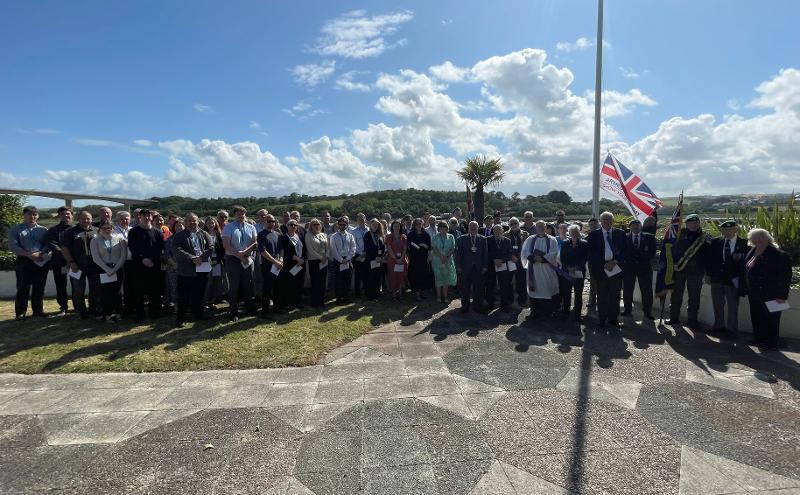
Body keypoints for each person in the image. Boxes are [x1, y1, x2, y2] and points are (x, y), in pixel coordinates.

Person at [743, 228, 792, 349]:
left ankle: (771, 343)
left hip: (772, 294)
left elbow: (785, 277)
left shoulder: (779, 255)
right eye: (755, 238)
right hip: (754, 293)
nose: (758, 240)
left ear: (767, 238)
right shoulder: (752, 251)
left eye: (761, 237)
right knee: (756, 317)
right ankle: (758, 338)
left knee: (771, 320)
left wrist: (782, 296)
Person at [706, 219, 749, 337]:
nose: (728, 231)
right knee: (717, 303)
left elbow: (751, 259)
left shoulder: (745, 243)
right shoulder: (715, 242)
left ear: (736, 229)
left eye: (731, 229)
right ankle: (719, 326)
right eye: (725, 229)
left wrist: (741, 257)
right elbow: (709, 259)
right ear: (721, 230)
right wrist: (708, 275)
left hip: (733, 279)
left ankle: (731, 330)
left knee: (733, 305)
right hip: (717, 278)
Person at [172, 213, 214, 327]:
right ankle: (181, 318)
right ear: (185, 222)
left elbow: (211, 247)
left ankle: (199, 314)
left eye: (194, 220)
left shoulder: (204, 233)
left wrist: (201, 258)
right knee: (183, 296)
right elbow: (177, 250)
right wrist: (192, 258)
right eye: (189, 221)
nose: (192, 223)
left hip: (202, 268)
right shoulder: (179, 236)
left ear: (198, 221)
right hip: (186, 270)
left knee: (199, 294)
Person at [587, 211, 627, 327]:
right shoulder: (593, 235)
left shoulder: (620, 234)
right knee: (602, 296)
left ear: (612, 221)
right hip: (601, 270)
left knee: (615, 296)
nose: (607, 222)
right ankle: (602, 319)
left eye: (609, 219)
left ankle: (613, 319)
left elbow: (625, 251)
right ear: (600, 221)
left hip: (616, 268)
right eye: (604, 219)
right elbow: (591, 254)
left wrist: (615, 261)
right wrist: (603, 264)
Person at [9, 206, 50, 319]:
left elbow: (48, 244)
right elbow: (13, 246)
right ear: (24, 215)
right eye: (29, 214)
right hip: (24, 261)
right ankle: (20, 312)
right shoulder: (16, 229)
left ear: (37, 216)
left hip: (41, 261)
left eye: (35, 214)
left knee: (39, 287)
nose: (32, 217)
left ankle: (38, 311)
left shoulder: (44, 230)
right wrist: (30, 255)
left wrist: (40, 253)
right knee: (23, 287)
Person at [668, 214, 709, 328]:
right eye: (691, 223)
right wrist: (674, 264)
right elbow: (672, 250)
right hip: (680, 270)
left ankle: (692, 320)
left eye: (696, 223)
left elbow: (708, 255)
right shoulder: (679, 234)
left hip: (696, 272)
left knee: (694, 297)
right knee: (676, 295)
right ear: (686, 223)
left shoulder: (704, 237)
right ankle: (673, 317)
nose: (693, 225)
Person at [62, 210, 101, 319]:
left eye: (88, 218)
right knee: (79, 290)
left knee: (95, 289)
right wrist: (71, 262)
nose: (86, 220)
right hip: (77, 266)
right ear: (78, 219)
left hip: (94, 266)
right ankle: (81, 311)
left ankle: (94, 310)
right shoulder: (70, 232)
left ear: (91, 219)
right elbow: (64, 248)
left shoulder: (97, 231)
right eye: (83, 218)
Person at [127, 209, 164, 322]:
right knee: (139, 292)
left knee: (155, 290)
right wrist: (143, 259)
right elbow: (133, 248)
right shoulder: (133, 231)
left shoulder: (157, 232)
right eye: (144, 216)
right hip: (139, 265)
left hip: (154, 265)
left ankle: (154, 313)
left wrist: (152, 260)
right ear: (140, 217)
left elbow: (159, 248)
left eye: (149, 216)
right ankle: (140, 315)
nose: (147, 218)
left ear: (151, 218)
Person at [222, 205, 258, 321]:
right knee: (234, 286)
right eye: (238, 214)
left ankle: (249, 308)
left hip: (247, 259)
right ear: (234, 215)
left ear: (245, 214)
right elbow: (226, 245)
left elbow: (255, 243)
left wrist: (245, 253)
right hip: (233, 259)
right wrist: (238, 254)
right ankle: (233, 312)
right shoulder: (229, 227)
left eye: (242, 213)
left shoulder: (251, 227)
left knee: (248, 284)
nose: (240, 215)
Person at [521, 220, 560, 319]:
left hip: (547, 269)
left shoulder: (552, 239)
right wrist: (533, 258)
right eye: (538, 227)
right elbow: (525, 251)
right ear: (536, 228)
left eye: (543, 227)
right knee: (535, 290)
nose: (541, 229)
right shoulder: (530, 239)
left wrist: (542, 258)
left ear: (546, 228)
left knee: (547, 289)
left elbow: (554, 252)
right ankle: (534, 312)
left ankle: (547, 313)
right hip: (533, 269)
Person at [90, 219, 126, 322]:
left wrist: (115, 269)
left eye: (109, 228)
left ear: (112, 228)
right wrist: (107, 270)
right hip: (103, 270)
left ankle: (118, 313)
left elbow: (122, 256)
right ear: (100, 229)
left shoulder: (120, 239)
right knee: (105, 293)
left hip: (117, 269)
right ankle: (107, 314)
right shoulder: (95, 240)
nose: (107, 230)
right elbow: (96, 258)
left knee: (117, 292)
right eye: (104, 228)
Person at [622, 219, 656, 319]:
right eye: (633, 226)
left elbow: (652, 252)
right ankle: (627, 310)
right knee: (627, 290)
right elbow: (622, 251)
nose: (636, 227)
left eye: (638, 225)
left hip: (644, 267)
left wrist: (642, 260)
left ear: (641, 226)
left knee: (647, 291)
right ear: (630, 227)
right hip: (629, 268)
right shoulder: (624, 237)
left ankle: (647, 312)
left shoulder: (649, 237)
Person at [44, 206, 74, 316]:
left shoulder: (76, 228)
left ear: (72, 215)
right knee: (61, 286)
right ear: (59, 216)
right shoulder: (53, 230)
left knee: (76, 286)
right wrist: (67, 257)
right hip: (59, 262)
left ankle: (77, 307)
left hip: (75, 263)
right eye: (63, 214)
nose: (66, 216)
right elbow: (53, 245)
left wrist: (72, 259)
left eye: (68, 214)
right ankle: (63, 307)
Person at [455, 221, 488, 313]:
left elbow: (485, 253)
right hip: (465, 268)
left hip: (478, 268)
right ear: (468, 228)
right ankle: (465, 306)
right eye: (471, 227)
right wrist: (458, 266)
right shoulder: (462, 238)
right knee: (465, 288)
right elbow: (458, 254)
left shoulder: (483, 239)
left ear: (478, 228)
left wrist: (485, 266)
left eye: (475, 227)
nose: (473, 229)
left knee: (478, 288)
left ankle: (477, 306)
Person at [560, 224, 590, 321]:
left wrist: (576, 267)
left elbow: (585, 257)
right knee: (566, 292)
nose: (574, 234)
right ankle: (566, 312)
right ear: (569, 233)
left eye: (576, 232)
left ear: (579, 232)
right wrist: (568, 267)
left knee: (578, 293)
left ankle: (577, 313)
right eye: (572, 232)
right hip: (567, 271)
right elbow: (562, 257)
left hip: (579, 271)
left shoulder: (584, 243)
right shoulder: (565, 243)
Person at [257, 214, 282, 315]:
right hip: (268, 265)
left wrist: (281, 259)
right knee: (267, 288)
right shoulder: (261, 235)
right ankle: (265, 311)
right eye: (269, 221)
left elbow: (281, 249)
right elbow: (263, 251)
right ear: (264, 222)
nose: (271, 223)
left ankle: (277, 308)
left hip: (278, 265)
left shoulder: (278, 234)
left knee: (277, 287)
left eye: (273, 221)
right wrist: (275, 262)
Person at [278, 219, 306, 309]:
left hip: (300, 264)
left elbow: (304, 249)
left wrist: (302, 259)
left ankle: (298, 301)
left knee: (299, 283)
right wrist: (297, 258)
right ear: (287, 226)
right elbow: (285, 252)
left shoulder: (300, 236)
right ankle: (290, 303)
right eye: (291, 225)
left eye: (295, 225)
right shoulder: (283, 238)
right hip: (290, 265)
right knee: (290, 284)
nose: (293, 226)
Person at [329, 217, 357, 304]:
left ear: (347, 225)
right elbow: (333, 250)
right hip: (338, 261)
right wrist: (341, 260)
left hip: (348, 261)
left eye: (344, 224)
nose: (342, 226)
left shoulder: (350, 236)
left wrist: (348, 258)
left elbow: (353, 248)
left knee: (347, 280)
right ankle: (339, 298)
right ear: (338, 225)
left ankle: (346, 297)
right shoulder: (333, 236)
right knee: (338, 281)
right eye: (340, 224)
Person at [486, 224, 513, 311]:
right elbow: (486, 253)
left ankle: (504, 304)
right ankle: (490, 303)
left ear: (502, 231)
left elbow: (509, 254)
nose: (497, 231)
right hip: (491, 266)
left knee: (504, 285)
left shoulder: (507, 241)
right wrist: (494, 260)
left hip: (503, 265)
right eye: (495, 230)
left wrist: (502, 260)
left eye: (499, 229)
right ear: (493, 231)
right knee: (490, 285)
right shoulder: (487, 240)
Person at [203, 216, 228, 307]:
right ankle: (205, 299)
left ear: (215, 224)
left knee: (217, 280)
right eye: (209, 223)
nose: (211, 224)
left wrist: (217, 260)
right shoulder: (202, 234)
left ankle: (215, 298)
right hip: (205, 262)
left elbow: (222, 250)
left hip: (216, 262)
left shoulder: (219, 235)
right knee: (207, 281)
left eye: (212, 223)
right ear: (206, 224)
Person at [504, 216, 529, 307]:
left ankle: (522, 299)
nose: (514, 225)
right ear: (509, 225)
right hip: (510, 261)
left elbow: (527, 248)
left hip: (521, 261)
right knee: (509, 282)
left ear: (519, 224)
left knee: (521, 282)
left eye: (515, 223)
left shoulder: (525, 234)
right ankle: (510, 299)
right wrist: (511, 256)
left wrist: (520, 257)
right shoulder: (505, 234)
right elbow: (504, 249)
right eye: (512, 224)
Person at [305, 218, 330, 308]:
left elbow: (328, 248)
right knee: (315, 282)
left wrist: (326, 256)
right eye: (314, 224)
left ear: (320, 225)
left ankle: (321, 301)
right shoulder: (308, 235)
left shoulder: (324, 235)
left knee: (323, 282)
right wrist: (321, 258)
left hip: (324, 261)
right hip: (314, 262)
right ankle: (315, 302)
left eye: (317, 224)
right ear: (311, 226)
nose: (316, 226)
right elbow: (310, 250)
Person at [406, 218, 432, 301]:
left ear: (422, 224)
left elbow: (429, 246)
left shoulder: (426, 234)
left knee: (423, 275)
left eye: (420, 223)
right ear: (414, 225)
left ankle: (421, 292)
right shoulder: (411, 234)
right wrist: (415, 246)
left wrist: (423, 245)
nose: (419, 225)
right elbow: (408, 246)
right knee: (415, 275)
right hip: (414, 258)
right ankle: (417, 293)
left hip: (423, 258)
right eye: (417, 224)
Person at [431, 220, 456, 303]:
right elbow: (434, 248)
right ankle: (438, 296)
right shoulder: (435, 237)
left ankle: (445, 297)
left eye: (444, 227)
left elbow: (453, 248)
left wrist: (446, 256)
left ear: (447, 228)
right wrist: (441, 256)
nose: (442, 229)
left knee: (446, 279)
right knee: (438, 278)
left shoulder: (451, 236)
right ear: (438, 229)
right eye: (440, 227)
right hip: (437, 260)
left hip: (448, 260)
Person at [163, 217, 184, 311]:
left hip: (187, 267)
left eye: (181, 225)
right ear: (174, 227)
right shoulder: (170, 239)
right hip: (173, 266)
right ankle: (176, 305)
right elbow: (167, 254)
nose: (179, 227)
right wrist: (175, 265)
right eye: (177, 225)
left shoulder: (189, 237)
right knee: (174, 286)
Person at [363, 219, 386, 301]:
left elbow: (382, 247)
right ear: (370, 225)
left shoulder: (380, 234)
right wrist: (374, 256)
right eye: (374, 225)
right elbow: (367, 248)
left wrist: (381, 256)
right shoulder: (367, 235)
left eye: (377, 225)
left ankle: (377, 294)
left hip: (379, 259)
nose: (375, 226)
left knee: (378, 277)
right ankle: (371, 295)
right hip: (371, 259)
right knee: (371, 277)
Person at [385, 220, 408, 300]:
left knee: (401, 276)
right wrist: (396, 259)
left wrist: (401, 258)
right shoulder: (388, 236)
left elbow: (405, 249)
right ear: (392, 227)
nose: (396, 228)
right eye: (395, 226)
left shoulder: (404, 236)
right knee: (393, 277)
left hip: (402, 259)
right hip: (392, 260)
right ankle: (394, 294)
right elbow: (389, 248)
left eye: (398, 226)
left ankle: (400, 293)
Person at [350, 213, 369, 298]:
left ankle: (366, 292)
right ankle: (357, 293)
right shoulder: (353, 231)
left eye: (363, 219)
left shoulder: (369, 230)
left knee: (367, 275)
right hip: (358, 256)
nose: (361, 220)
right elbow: (353, 245)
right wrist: (360, 254)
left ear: (365, 220)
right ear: (357, 221)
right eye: (359, 219)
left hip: (368, 255)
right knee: (358, 275)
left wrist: (366, 253)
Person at [586, 217, 601, 311]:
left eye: (595, 224)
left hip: (603, 263)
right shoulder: (587, 237)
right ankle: (592, 300)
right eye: (591, 225)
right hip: (592, 263)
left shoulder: (602, 235)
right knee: (593, 282)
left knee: (603, 282)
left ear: (598, 224)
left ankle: (602, 300)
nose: (593, 226)